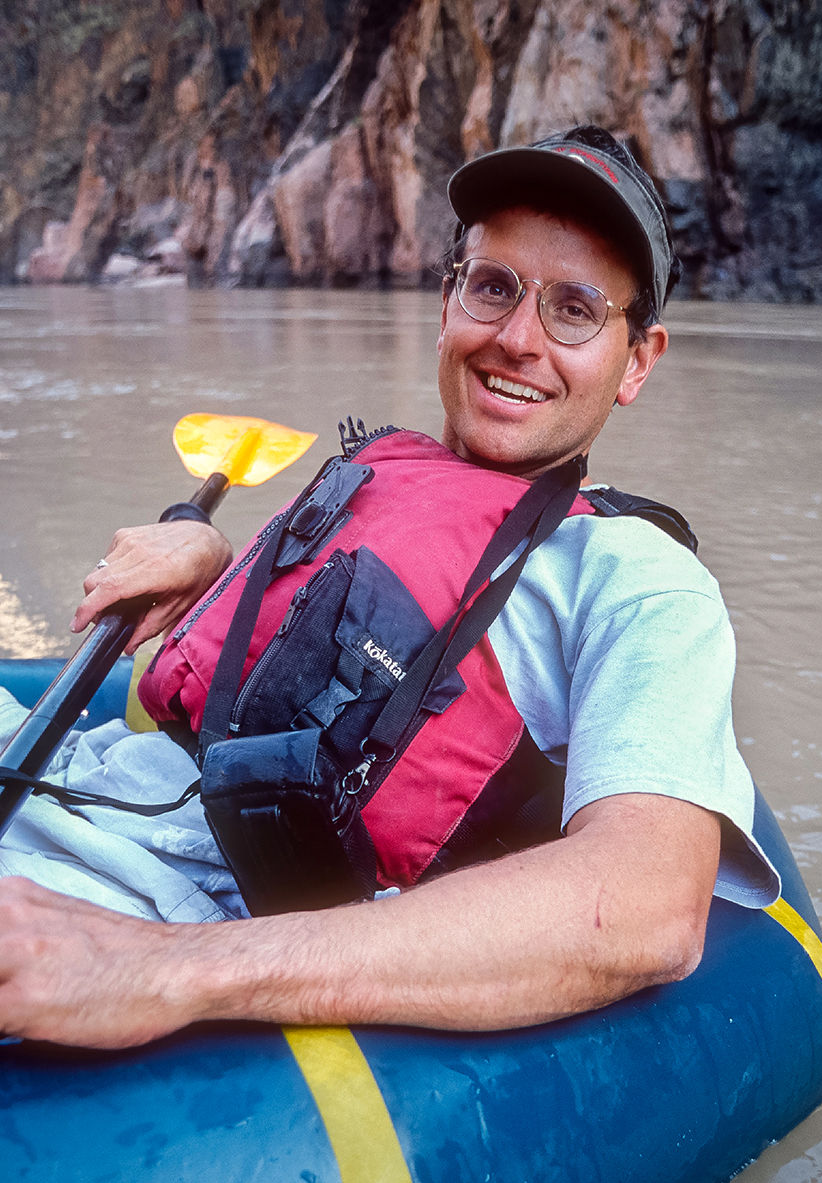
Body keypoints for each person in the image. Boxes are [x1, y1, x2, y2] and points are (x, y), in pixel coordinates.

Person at [0, 126, 777, 1050]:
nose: (519, 339)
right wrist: (211, 562)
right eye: (493, 288)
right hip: (67, 785)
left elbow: (648, 904)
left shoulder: (640, 582)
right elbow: (273, 659)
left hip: (159, 903)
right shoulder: (376, 469)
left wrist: (163, 969)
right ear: (449, 301)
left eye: (574, 309)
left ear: (637, 359)